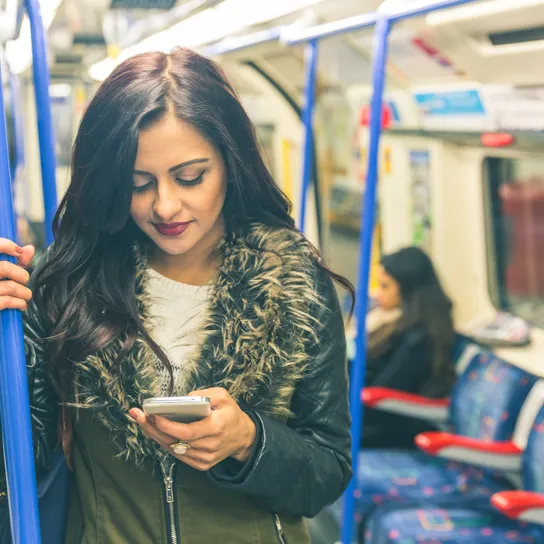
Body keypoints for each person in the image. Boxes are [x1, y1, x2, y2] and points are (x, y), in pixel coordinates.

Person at [0, 48, 353, 543]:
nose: (166, 206)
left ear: (231, 163)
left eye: (190, 177)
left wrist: (249, 441)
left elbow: (327, 474)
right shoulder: (68, 284)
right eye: (138, 184)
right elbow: (21, 462)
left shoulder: (292, 283)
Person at [362, 246, 456, 449]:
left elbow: (384, 390)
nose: (379, 294)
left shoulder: (420, 339)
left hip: (389, 427)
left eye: (385, 286)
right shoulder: (405, 325)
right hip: (376, 417)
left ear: (407, 288)